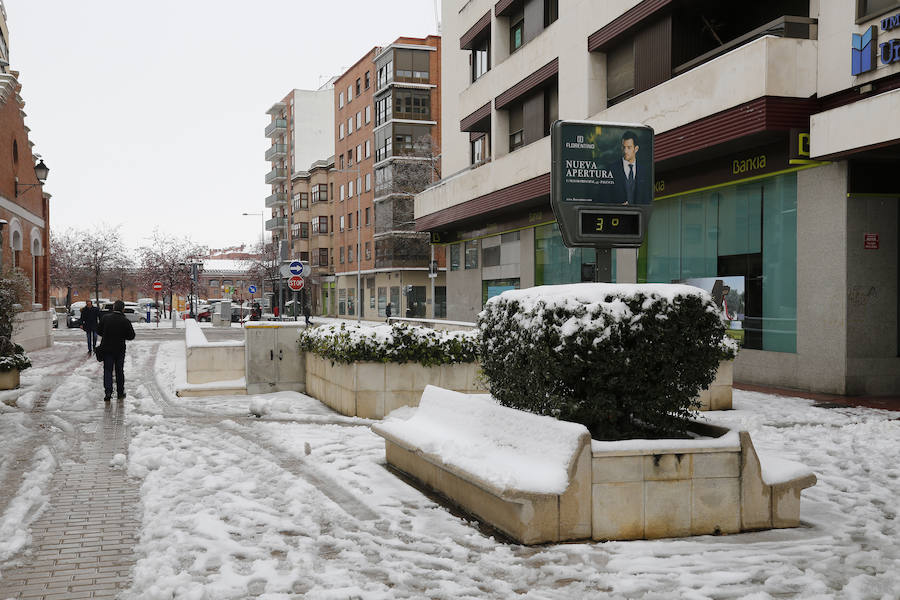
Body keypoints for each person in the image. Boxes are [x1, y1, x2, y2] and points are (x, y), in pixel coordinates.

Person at [97, 300, 135, 402]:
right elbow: (131, 335)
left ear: (113, 308)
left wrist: (106, 335)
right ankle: (120, 392)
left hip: (107, 348)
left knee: (108, 370)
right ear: (123, 309)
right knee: (119, 371)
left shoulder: (105, 318)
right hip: (119, 349)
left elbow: (98, 331)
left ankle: (108, 392)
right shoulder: (125, 320)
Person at [609, 130, 649, 205]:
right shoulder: (612, 169)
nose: (625, 151)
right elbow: (605, 197)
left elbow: (647, 198)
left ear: (636, 149)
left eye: (629, 147)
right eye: (623, 147)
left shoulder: (644, 170)